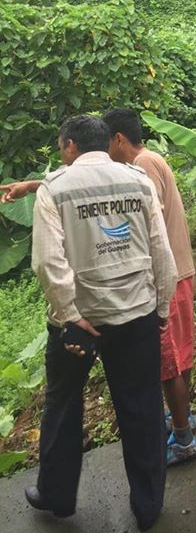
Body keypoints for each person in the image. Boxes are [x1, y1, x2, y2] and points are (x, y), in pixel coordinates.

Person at [26, 115, 177, 530]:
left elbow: (48, 262)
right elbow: (160, 249)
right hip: (137, 314)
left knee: (63, 405)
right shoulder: (137, 180)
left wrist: (69, 316)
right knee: (142, 408)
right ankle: (148, 505)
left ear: (70, 146)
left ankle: (57, 496)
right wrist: (161, 308)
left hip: (81, 322)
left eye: (61, 147)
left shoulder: (55, 188)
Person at [102, 108, 196, 467]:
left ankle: (183, 438)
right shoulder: (150, 159)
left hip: (165, 279)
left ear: (118, 139)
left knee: (168, 365)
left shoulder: (142, 166)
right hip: (178, 272)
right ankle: (183, 419)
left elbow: (147, 220)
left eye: (105, 144)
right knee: (179, 355)